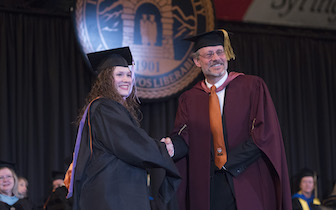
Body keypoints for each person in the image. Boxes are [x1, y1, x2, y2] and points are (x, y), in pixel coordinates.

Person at [161, 29, 292, 210]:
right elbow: (184, 136)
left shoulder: (252, 86)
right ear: (197, 61)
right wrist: (172, 147)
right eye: (209, 54)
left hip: (247, 176)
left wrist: (228, 163)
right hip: (209, 186)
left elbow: (264, 132)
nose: (216, 58)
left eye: (220, 52)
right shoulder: (189, 98)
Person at [64, 46, 180, 210]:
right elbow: (132, 144)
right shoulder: (104, 108)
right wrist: (162, 149)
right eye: (119, 75)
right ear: (106, 79)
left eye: (128, 75)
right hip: (112, 196)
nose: (126, 79)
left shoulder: (106, 108)